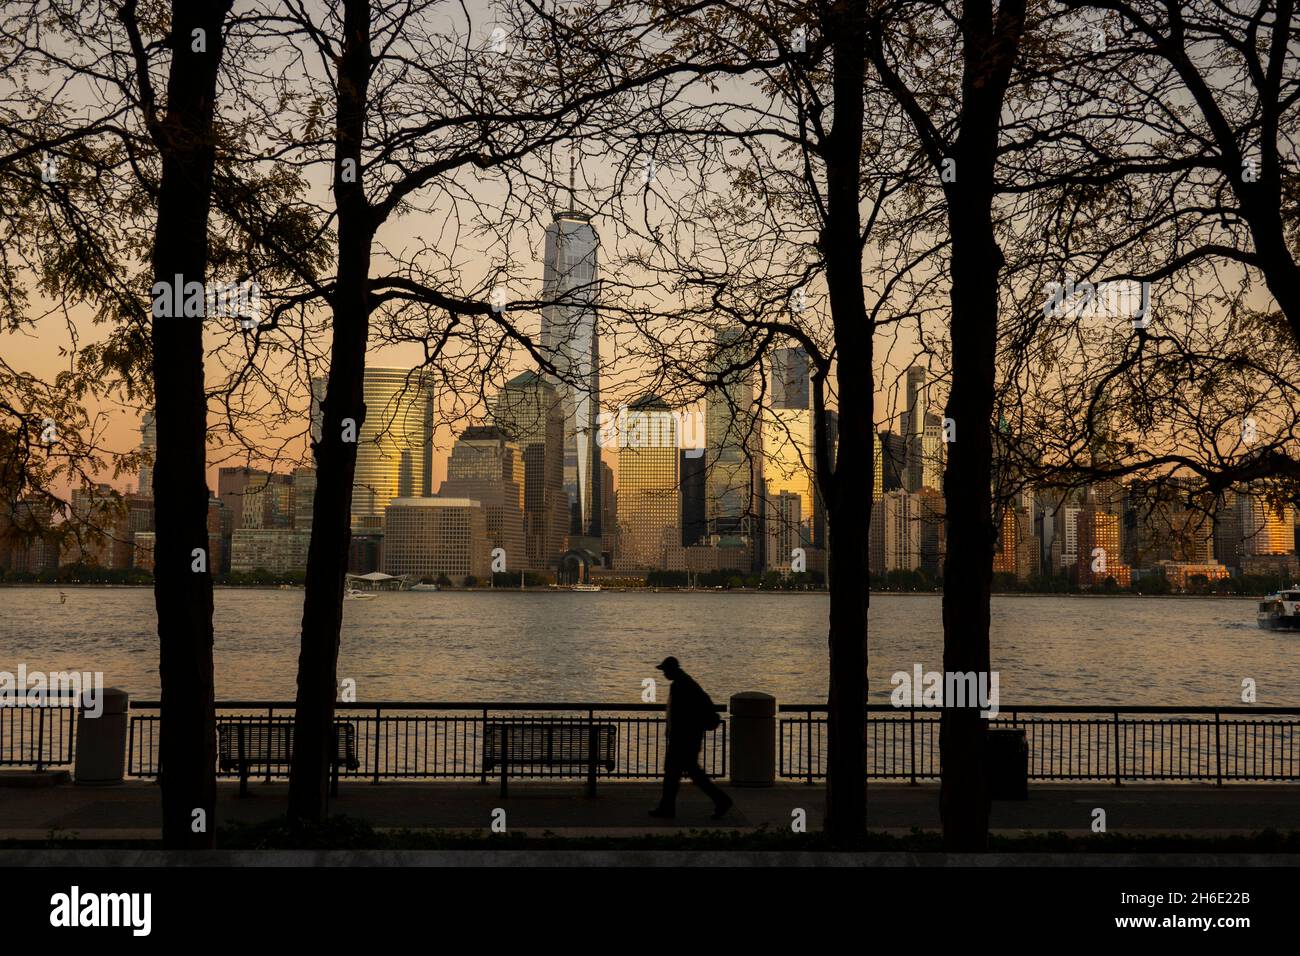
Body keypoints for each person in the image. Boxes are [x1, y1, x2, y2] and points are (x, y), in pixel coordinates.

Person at [649, 656, 734, 820]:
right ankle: (668, 807)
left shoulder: (681, 685)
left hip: (683, 739)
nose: (664, 674)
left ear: (671, 670)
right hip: (687, 738)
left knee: (678, 774)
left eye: (665, 671)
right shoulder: (685, 683)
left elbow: (682, 715)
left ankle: (721, 801)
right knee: (683, 774)